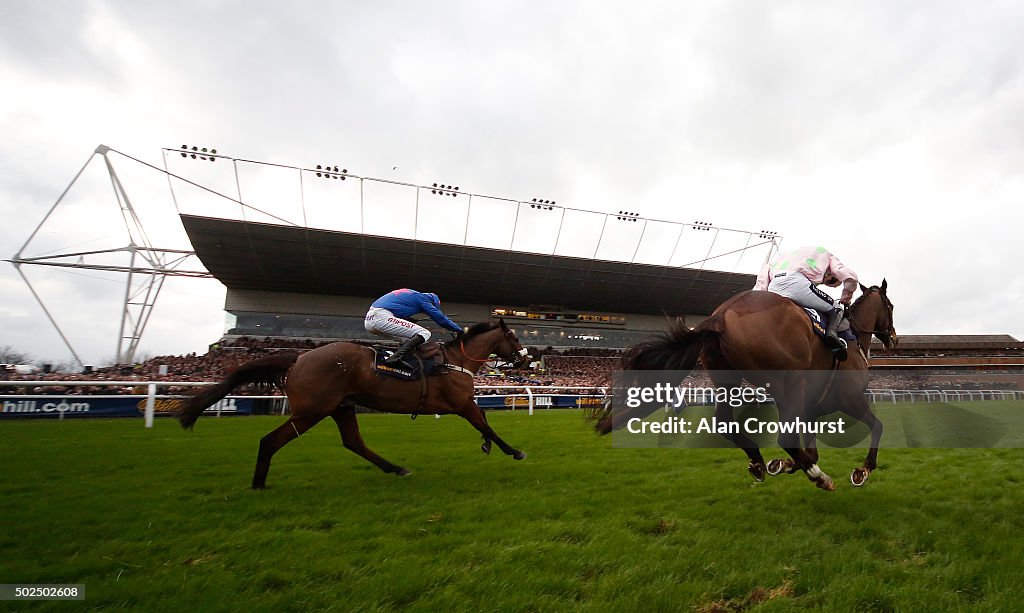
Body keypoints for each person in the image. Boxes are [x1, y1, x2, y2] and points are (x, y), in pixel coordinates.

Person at [753, 246, 858, 353]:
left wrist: (758, 298)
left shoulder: (783, 256)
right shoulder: (829, 256)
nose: (825, 282)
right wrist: (846, 297)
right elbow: (851, 277)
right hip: (797, 283)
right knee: (837, 308)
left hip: (774, 286)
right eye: (831, 281)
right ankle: (832, 337)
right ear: (833, 274)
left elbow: (762, 279)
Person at [364, 289, 463, 365]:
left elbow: (395, 306)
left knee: (408, 339)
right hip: (381, 318)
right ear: (432, 302)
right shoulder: (423, 299)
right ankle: (393, 359)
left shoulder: (410, 294)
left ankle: (401, 361)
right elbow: (440, 319)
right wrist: (458, 329)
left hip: (369, 321)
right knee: (424, 333)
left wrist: (408, 319)